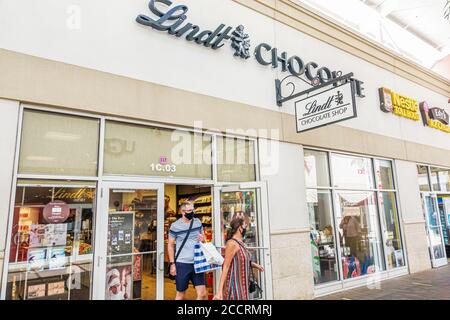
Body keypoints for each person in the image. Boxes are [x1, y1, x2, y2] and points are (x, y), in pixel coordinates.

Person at [214, 213, 264, 300]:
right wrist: (219, 291)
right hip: (234, 288)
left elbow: (241, 260)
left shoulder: (241, 242)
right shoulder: (232, 243)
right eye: (245, 226)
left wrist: (256, 265)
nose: (246, 229)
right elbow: (225, 266)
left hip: (243, 286)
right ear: (240, 228)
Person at [168, 201, 207, 300]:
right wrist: (173, 264)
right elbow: (170, 245)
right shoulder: (175, 226)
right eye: (189, 210)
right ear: (183, 212)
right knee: (181, 295)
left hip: (198, 263)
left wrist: (203, 239)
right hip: (182, 264)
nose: (192, 212)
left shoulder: (198, 222)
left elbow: (204, 240)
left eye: (193, 210)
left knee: (202, 294)